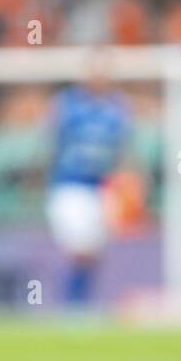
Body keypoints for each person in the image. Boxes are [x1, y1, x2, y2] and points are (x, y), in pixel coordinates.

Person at [45, 71, 132, 307]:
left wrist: (126, 179)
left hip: (102, 187)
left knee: (93, 253)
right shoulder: (67, 105)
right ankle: (72, 304)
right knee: (79, 250)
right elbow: (51, 143)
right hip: (71, 185)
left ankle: (80, 304)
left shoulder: (118, 107)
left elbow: (124, 146)